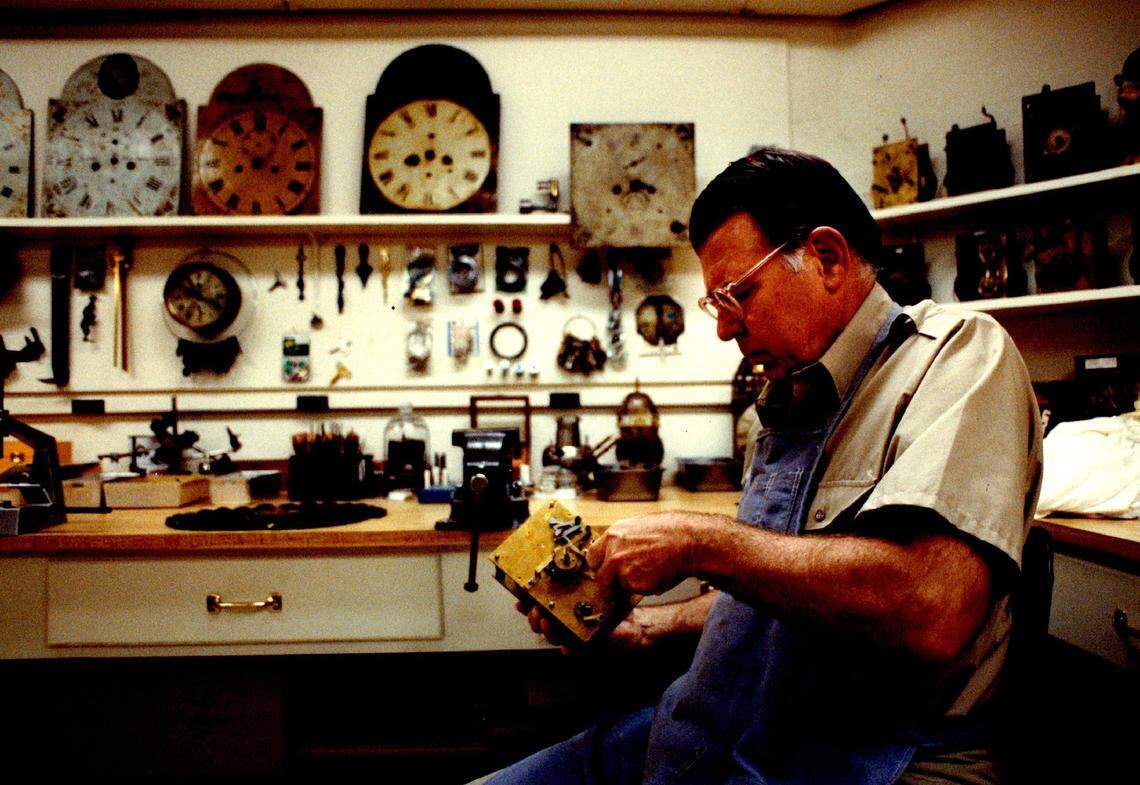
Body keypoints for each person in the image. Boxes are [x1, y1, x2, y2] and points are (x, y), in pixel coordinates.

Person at [485, 147, 1042, 785]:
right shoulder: (787, 398)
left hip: (862, 759)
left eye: (738, 294)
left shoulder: (959, 355)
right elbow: (783, 600)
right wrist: (649, 628)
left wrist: (700, 542)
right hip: (719, 729)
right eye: (716, 305)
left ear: (827, 258)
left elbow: (931, 607)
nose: (726, 331)